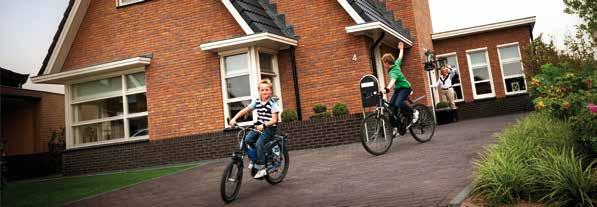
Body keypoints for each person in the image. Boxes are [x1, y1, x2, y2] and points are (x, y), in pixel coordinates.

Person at [229, 79, 279, 179]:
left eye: (267, 90)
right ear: (259, 91)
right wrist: (234, 118)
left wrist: (264, 126)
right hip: (259, 126)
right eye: (262, 90)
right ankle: (257, 157)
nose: (264, 92)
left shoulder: (273, 104)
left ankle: (262, 167)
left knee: (259, 143)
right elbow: (245, 110)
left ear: (270, 91)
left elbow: (274, 120)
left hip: (269, 128)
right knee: (247, 140)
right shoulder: (257, 101)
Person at [381, 42, 419, 129]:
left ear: (387, 63)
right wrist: (401, 49)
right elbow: (400, 57)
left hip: (405, 88)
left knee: (398, 103)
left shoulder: (393, 71)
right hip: (398, 90)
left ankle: (413, 113)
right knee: (391, 109)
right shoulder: (396, 64)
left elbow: (393, 81)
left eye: (383, 63)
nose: (383, 65)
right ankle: (395, 127)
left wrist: (387, 89)